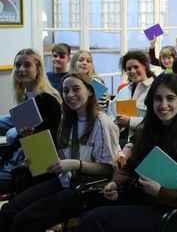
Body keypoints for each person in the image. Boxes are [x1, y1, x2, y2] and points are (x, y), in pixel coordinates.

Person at [73, 73, 177, 232]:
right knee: (86, 208)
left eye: (171, 98)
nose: (163, 105)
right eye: (158, 98)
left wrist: (161, 192)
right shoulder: (149, 129)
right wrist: (116, 183)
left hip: (169, 213)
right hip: (141, 200)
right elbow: (130, 166)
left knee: (94, 221)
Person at [0, 72, 119, 232]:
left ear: (90, 91)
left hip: (88, 188)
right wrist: (36, 157)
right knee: (9, 211)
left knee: (25, 220)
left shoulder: (102, 123)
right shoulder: (67, 120)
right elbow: (60, 158)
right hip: (66, 181)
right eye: (65, 90)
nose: (70, 95)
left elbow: (108, 168)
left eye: (76, 89)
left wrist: (76, 165)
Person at [0, 49, 62, 192]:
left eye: (27, 65)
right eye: (18, 65)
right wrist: (3, 156)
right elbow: (20, 137)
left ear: (38, 69)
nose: (21, 69)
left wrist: (30, 137)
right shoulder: (27, 97)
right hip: (22, 159)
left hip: (35, 169)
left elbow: (48, 149)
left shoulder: (47, 101)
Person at [108, 51, 155, 147]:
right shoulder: (124, 90)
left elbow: (156, 122)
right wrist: (116, 122)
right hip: (120, 140)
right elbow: (111, 112)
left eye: (136, 67)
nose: (132, 71)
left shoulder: (155, 89)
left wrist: (130, 121)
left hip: (143, 142)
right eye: (129, 69)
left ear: (144, 67)